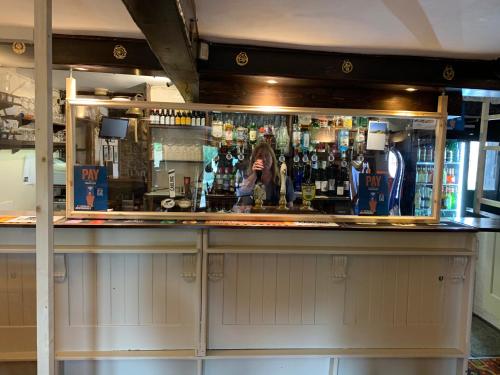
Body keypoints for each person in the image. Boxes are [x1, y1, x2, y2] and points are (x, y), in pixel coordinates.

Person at [237, 142, 295, 208]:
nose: (264, 159)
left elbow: (290, 208)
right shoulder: (249, 179)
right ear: (254, 160)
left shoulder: (285, 180)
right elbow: (242, 203)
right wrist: (254, 174)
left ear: (272, 159)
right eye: (260, 156)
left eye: (267, 155)